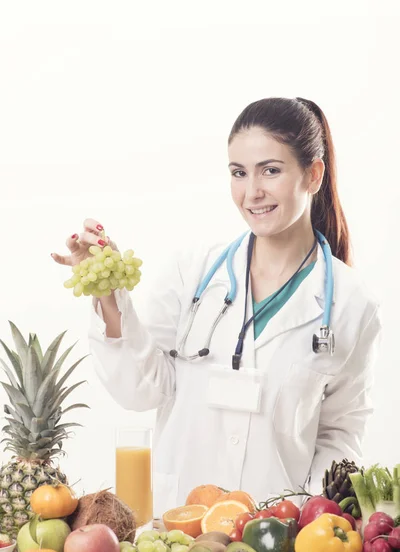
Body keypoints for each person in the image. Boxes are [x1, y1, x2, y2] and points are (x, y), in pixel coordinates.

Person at [52, 97, 382, 517]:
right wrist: (107, 291)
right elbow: (139, 390)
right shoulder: (192, 273)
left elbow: (340, 434)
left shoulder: (354, 305)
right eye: (238, 173)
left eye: (271, 170)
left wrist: (303, 517)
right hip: (180, 528)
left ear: (313, 174)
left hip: (276, 542)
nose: (252, 192)